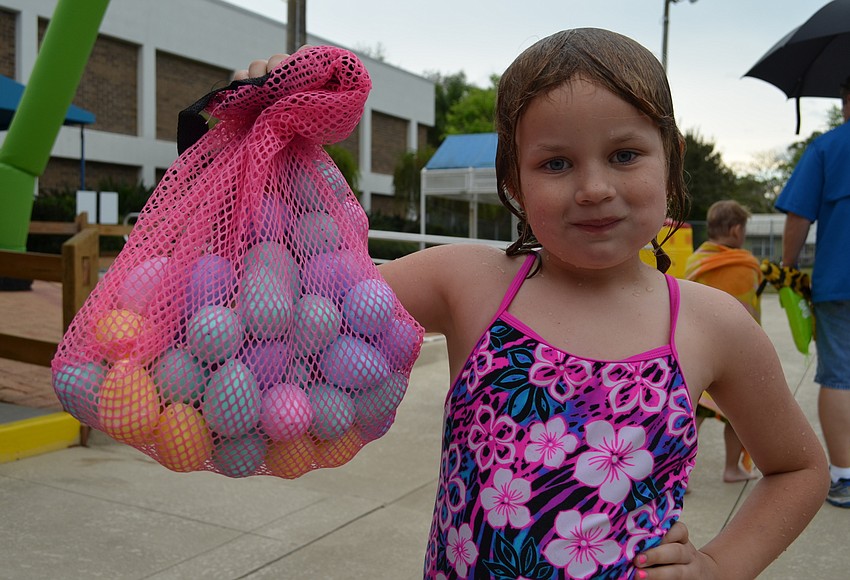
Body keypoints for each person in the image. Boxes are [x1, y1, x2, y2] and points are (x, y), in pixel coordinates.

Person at [238, 28, 827, 579]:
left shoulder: (711, 323)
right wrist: (262, 140)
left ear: (670, 156)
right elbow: (296, 303)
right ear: (514, 180)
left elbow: (799, 469)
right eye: (556, 163)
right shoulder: (467, 282)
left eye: (625, 154)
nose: (594, 188)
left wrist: (720, 567)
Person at [775, 76, 850, 509]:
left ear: (846, 102)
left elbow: (798, 216)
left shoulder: (827, 148)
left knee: (840, 376)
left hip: (840, 281)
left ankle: (844, 476)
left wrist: (788, 268)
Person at [684, 200, 761, 483]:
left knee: (692, 416)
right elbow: (748, 314)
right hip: (733, 355)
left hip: (698, 352)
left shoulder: (696, 260)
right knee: (738, 416)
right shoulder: (744, 265)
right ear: (736, 230)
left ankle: (680, 476)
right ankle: (732, 468)